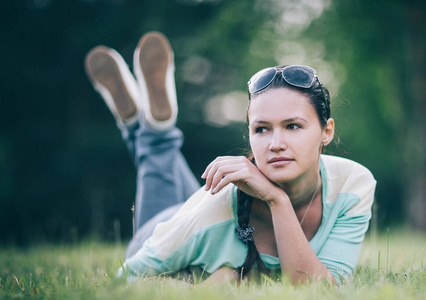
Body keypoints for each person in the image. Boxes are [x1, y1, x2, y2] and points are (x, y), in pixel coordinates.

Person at [85, 32, 376, 285]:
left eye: (293, 126)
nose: (275, 144)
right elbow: (128, 278)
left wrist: (278, 200)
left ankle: (140, 125)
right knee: (164, 159)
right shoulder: (208, 213)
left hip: (208, 214)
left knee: (170, 161)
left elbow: (319, 291)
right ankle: (151, 130)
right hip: (172, 227)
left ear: (327, 131)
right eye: (261, 129)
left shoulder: (351, 185)